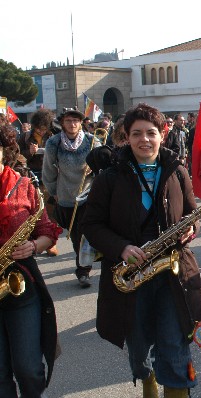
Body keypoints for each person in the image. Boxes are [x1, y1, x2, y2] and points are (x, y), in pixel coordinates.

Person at [81, 103, 201, 397]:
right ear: (126, 136)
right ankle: (148, 383)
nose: (144, 139)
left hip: (172, 273)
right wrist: (121, 247)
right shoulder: (109, 177)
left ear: (162, 134)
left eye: (151, 132)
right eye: (136, 133)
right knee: (139, 348)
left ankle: (175, 387)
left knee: (174, 342)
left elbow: (192, 213)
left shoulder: (177, 171)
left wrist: (191, 229)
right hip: (130, 276)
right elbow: (92, 224)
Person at [0, 124, 62, 398]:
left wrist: (34, 245)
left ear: (4, 150)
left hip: (20, 284)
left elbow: (47, 231)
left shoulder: (23, 187)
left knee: (28, 369)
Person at [42, 107, 100, 288]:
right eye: (68, 121)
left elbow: (104, 165)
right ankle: (83, 261)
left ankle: (83, 271)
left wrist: (95, 167)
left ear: (81, 122)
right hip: (65, 197)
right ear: (62, 123)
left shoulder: (92, 141)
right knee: (73, 235)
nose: (72, 124)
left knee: (81, 236)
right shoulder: (54, 143)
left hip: (87, 196)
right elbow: (48, 171)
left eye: (76, 120)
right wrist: (53, 192)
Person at [18, 108, 59, 257]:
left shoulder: (54, 136)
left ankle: (51, 244)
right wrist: (29, 152)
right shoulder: (25, 137)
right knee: (35, 212)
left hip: (51, 177)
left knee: (51, 212)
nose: (41, 132)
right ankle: (36, 242)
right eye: (38, 129)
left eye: (44, 129)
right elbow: (17, 157)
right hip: (32, 178)